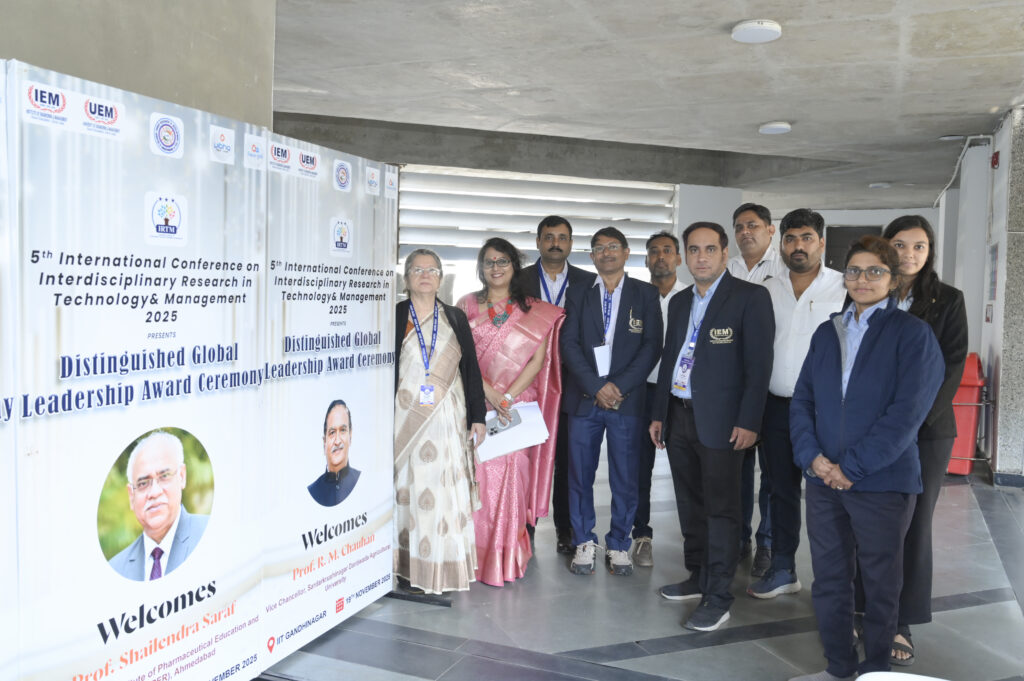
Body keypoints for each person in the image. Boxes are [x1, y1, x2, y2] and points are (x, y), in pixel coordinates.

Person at [789, 236, 944, 681]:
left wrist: (851, 468)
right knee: (829, 579)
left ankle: (876, 670)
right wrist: (813, 458)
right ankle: (839, 667)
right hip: (824, 481)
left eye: (875, 271)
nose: (863, 279)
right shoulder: (827, 333)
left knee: (880, 584)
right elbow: (803, 401)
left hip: (882, 482)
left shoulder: (913, 335)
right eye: (854, 271)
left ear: (893, 280)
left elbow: (906, 416)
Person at [650, 221, 774, 631]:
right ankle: (698, 575)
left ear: (724, 254)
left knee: (722, 510)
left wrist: (749, 420)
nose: (701, 257)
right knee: (690, 504)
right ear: (684, 255)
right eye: (693, 249)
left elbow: (759, 366)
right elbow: (671, 359)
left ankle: (718, 596)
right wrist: (659, 413)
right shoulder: (680, 302)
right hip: (679, 414)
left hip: (723, 422)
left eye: (709, 249)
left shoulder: (750, 298)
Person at [881, 215, 968, 666]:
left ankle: (902, 620)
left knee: (914, 525)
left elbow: (951, 366)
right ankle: (863, 606)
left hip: (926, 431)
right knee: (867, 522)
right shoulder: (868, 290)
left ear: (930, 251)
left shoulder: (947, 299)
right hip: (873, 429)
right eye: (900, 244)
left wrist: (910, 422)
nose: (910, 254)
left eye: (919, 246)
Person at [748, 209, 846, 599]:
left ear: (821, 242)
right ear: (781, 243)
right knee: (779, 489)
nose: (798, 246)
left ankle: (836, 581)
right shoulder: (767, 290)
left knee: (831, 490)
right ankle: (784, 568)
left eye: (806, 238)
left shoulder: (843, 287)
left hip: (828, 411)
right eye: (790, 239)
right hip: (776, 407)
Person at [457, 237, 565, 586]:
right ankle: (474, 557)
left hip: (515, 409)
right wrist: (489, 393)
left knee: (513, 479)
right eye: (489, 262)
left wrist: (506, 397)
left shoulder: (533, 309)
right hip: (477, 405)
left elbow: (537, 360)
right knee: (478, 480)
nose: (496, 268)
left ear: (514, 266)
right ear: (481, 267)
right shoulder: (466, 305)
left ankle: (505, 557)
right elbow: (461, 357)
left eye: (502, 261)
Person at [560, 226, 661, 577]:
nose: (606, 252)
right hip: (585, 399)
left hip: (626, 401)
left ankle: (619, 543)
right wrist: (595, 386)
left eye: (613, 246)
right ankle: (583, 540)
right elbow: (568, 344)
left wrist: (618, 386)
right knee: (579, 474)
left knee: (626, 477)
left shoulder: (645, 293)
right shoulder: (578, 293)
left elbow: (652, 346)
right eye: (599, 247)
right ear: (591, 256)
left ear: (626, 252)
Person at [393, 248, 487, 595]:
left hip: (447, 418)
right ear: (406, 278)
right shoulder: (394, 315)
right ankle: (407, 568)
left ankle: (441, 566)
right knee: (407, 488)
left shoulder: (454, 317)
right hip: (404, 420)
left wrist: (477, 416)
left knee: (443, 489)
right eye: (417, 270)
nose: (425, 275)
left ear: (440, 278)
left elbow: (471, 368)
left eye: (432, 270)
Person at [521, 215, 596, 555]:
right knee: (527, 456)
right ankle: (524, 528)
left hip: (572, 382)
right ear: (538, 242)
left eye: (562, 237)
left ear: (571, 243)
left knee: (568, 459)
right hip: (529, 382)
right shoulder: (519, 279)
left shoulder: (589, 282)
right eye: (549, 237)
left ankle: (566, 529)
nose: (555, 243)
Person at [728, 203, 784, 576]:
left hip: (775, 384)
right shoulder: (728, 268)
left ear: (770, 229)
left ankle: (767, 542)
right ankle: (739, 538)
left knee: (774, 474)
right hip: (735, 387)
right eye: (739, 226)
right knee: (737, 468)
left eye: (753, 225)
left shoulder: (784, 270)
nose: (745, 232)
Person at [632, 230, 685, 568]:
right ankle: (642, 535)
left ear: (678, 258)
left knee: (686, 468)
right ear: (646, 259)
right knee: (640, 469)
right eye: (654, 251)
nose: (660, 256)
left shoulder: (692, 296)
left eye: (667, 250)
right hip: (642, 391)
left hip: (679, 394)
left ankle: (697, 539)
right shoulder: (636, 296)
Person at [108, 431, 209, 581]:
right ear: (131, 496)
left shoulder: (211, 534)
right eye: (143, 483)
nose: (154, 492)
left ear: (182, 476)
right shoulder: (117, 569)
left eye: (164, 476)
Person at [308, 400, 361, 507]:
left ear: (350, 436)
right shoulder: (313, 491)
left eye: (343, 430)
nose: (337, 441)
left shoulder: (361, 481)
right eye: (332, 432)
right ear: (324, 442)